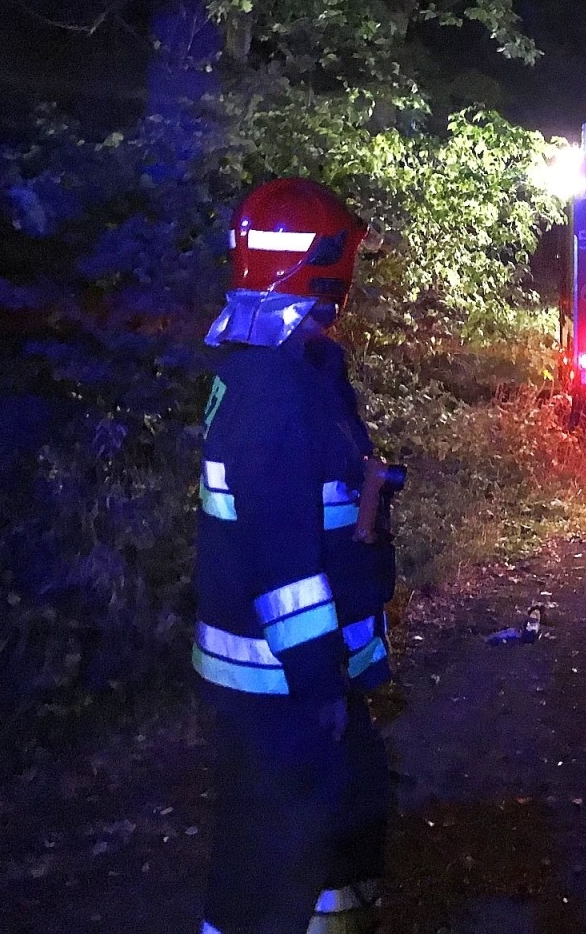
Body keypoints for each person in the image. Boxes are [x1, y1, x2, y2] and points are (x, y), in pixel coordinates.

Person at [193, 178, 397, 934]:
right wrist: (319, 689)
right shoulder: (276, 385)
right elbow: (283, 563)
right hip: (285, 684)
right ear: (327, 262)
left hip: (287, 679)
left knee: (325, 834)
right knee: (275, 859)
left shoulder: (271, 365)